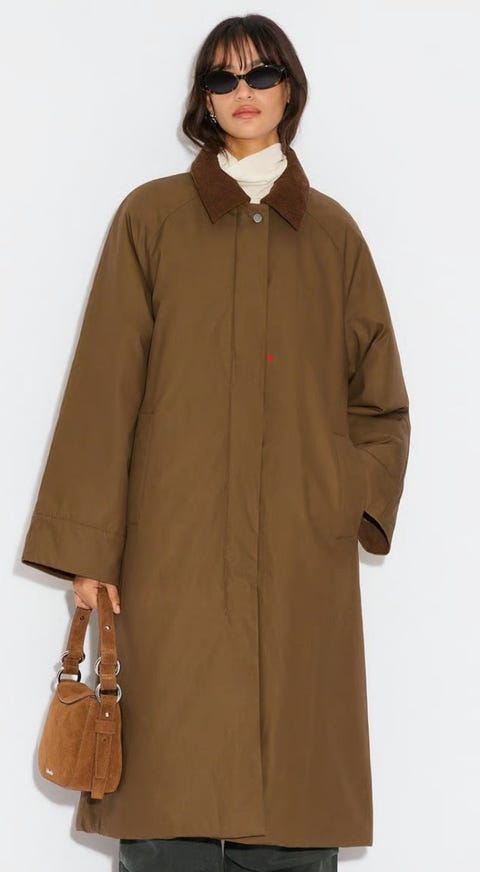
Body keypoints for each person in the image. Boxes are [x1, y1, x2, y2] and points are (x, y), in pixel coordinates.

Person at [21, 13, 411, 872]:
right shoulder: (152, 218)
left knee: (294, 799)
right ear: (202, 98)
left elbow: (380, 404)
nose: (243, 92)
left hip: (300, 564)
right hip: (173, 553)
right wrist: (90, 550)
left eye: (261, 74)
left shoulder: (333, 236)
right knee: (171, 793)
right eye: (222, 78)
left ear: (289, 89)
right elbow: (104, 388)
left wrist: (339, 499)